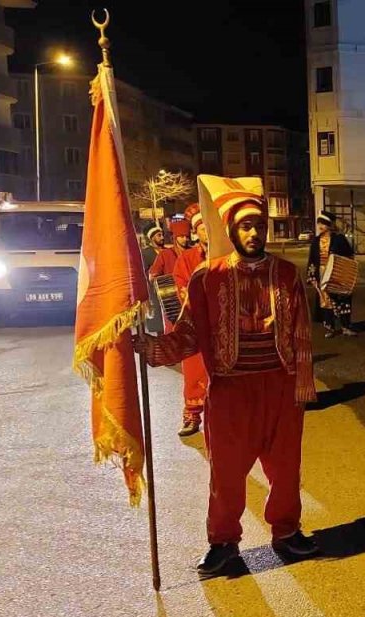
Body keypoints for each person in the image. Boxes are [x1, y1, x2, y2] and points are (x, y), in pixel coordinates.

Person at [135, 175, 319, 576]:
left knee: (286, 469)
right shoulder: (207, 276)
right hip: (231, 391)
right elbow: (188, 333)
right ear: (233, 230)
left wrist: (303, 382)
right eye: (246, 226)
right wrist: (149, 347)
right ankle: (223, 542)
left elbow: (302, 330)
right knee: (227, 473)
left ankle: (286, 532)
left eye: (260, 226)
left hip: (281, 387)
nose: (254, 233)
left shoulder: (287, 274)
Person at [169, 204, 208, 437]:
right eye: (202, 228)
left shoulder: (227, 255)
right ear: (196, 232)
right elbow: (182, 288)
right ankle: (192, 414)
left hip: (224, 326)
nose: (207, 232)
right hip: (195, 325)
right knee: (194, 371)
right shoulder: (186, 259)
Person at [306, 210, 357, 338]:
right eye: (319, 224)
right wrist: (312, 276)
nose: (320, 227)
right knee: (326, 302)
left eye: (322, 224)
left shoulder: (339, 239)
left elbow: (349, 256)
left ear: (330, 225)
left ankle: (345, 326)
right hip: (322, 273)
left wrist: (345, 271)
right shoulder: (316, 241)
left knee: (342, 299)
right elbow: (312, 259)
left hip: (337, 273)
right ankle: (330, 328)